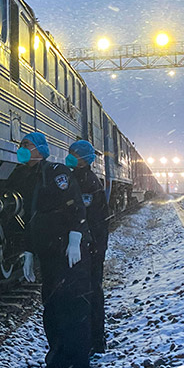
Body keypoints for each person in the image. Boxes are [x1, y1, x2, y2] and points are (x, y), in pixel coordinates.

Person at [6, 132, 93, 368]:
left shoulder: (56, 173)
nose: (22, 149)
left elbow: (76, 207)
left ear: (41, 150)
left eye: (27, 145)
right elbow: (31, 219)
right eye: (21, 145)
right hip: (48, 254)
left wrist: (76, 238)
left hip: (68, 253)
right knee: (52, 313)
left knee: (71, 313)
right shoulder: (25, 176)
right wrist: (30, 252)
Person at [67, 140, 109, 354]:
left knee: (91, 292)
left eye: (74, 153)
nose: (70, 156)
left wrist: (95, 247)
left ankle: (96, 340)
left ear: (84, 158)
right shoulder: (79, 178)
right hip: (90, 244)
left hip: (91, 246)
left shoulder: (89, 183)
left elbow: (94, 219)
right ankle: (92, 338)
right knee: (88, 292)